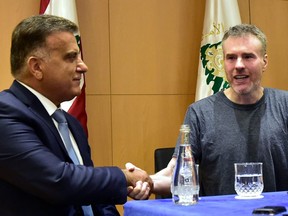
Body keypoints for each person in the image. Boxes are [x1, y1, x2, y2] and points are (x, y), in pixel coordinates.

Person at [0, 14, 152, 216]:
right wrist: (123, 177)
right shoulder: (6, 113)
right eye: (71, 57)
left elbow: (91, 195)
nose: (83, 66)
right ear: (36, 67)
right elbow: (58, 181)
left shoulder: (68, 122)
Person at [147, 23, 288, 197]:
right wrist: (144, 182)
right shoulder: (199, 113)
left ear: (264, 61)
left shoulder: (285, 105)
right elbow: (175, 173)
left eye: (248, 57)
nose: (239, 65)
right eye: (231, 57)